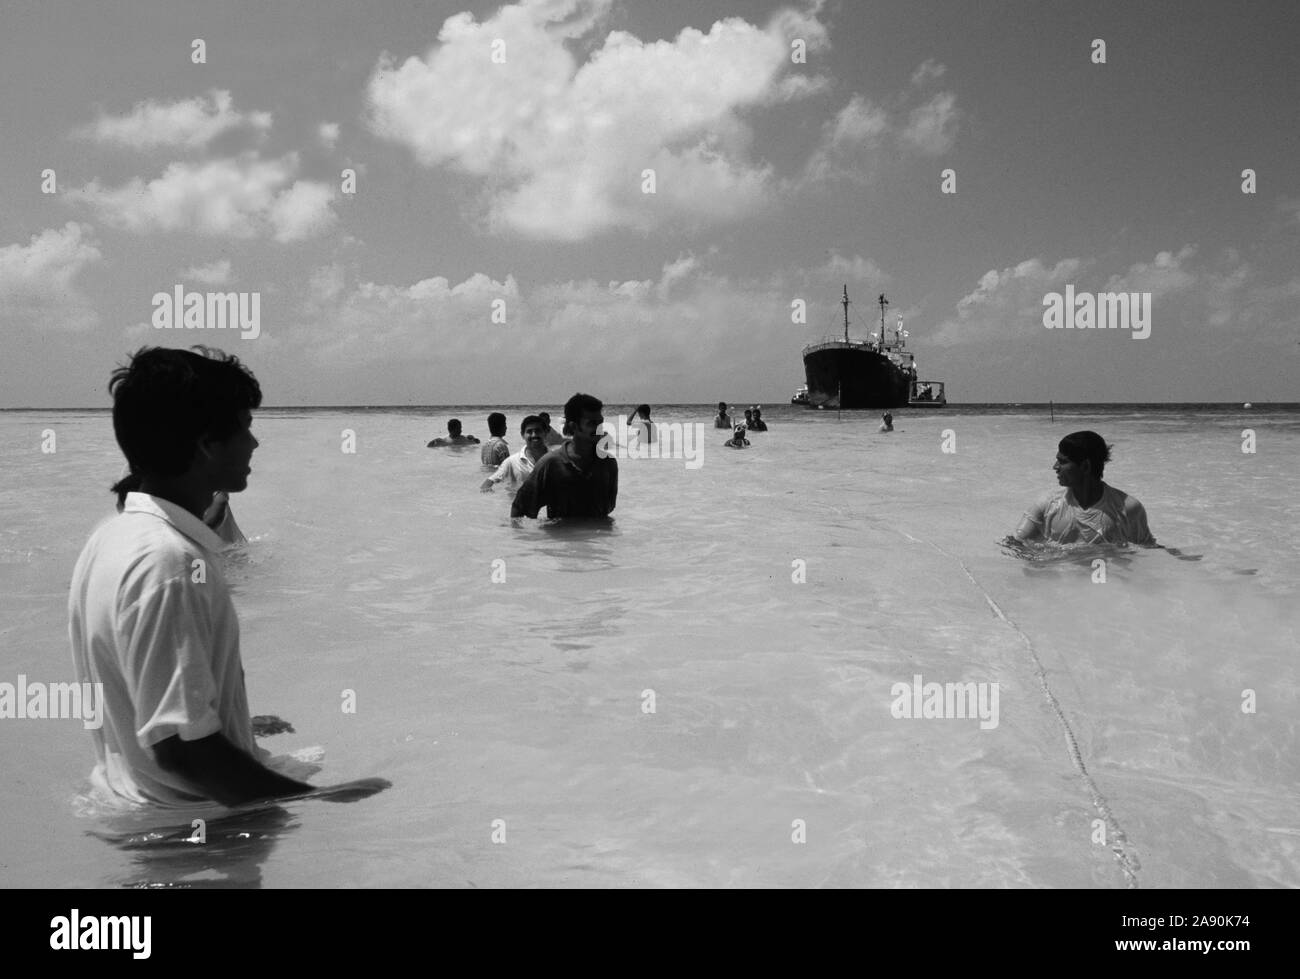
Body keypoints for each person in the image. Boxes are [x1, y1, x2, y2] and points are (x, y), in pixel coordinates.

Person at [70, 345, 388, 808]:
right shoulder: (170, 562)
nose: (254, 443)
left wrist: (233, 720)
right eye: (245, 428)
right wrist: (319, 800)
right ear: (205, 444)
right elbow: (184, 750)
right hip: (200, 836)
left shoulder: (110, 538)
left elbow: (151, 706)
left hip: (141, 814)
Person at [1014, 431, 1156, 546]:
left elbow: (1147, 550)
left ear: (1085, 466)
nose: (1055, 467)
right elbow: (1015, 544)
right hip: (1060, 579)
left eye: (1063, 462)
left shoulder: (1127, 509)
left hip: (1108, 581)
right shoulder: (1047, 505)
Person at [511, 393, 617, 519]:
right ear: (574, 426)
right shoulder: (551, 463)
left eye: (600, 422)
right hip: (562, 538)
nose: (600, 428)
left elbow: (608, 508)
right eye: (592, 423)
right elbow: (519, 508)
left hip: (601, 538)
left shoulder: (608, 463)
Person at [481, 415, 550, 494]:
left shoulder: (557, 459)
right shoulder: (512, 461)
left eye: (538, 431)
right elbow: (488, 482)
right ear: (522, 435)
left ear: (546, 433)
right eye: (529, 431)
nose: (534, 435)